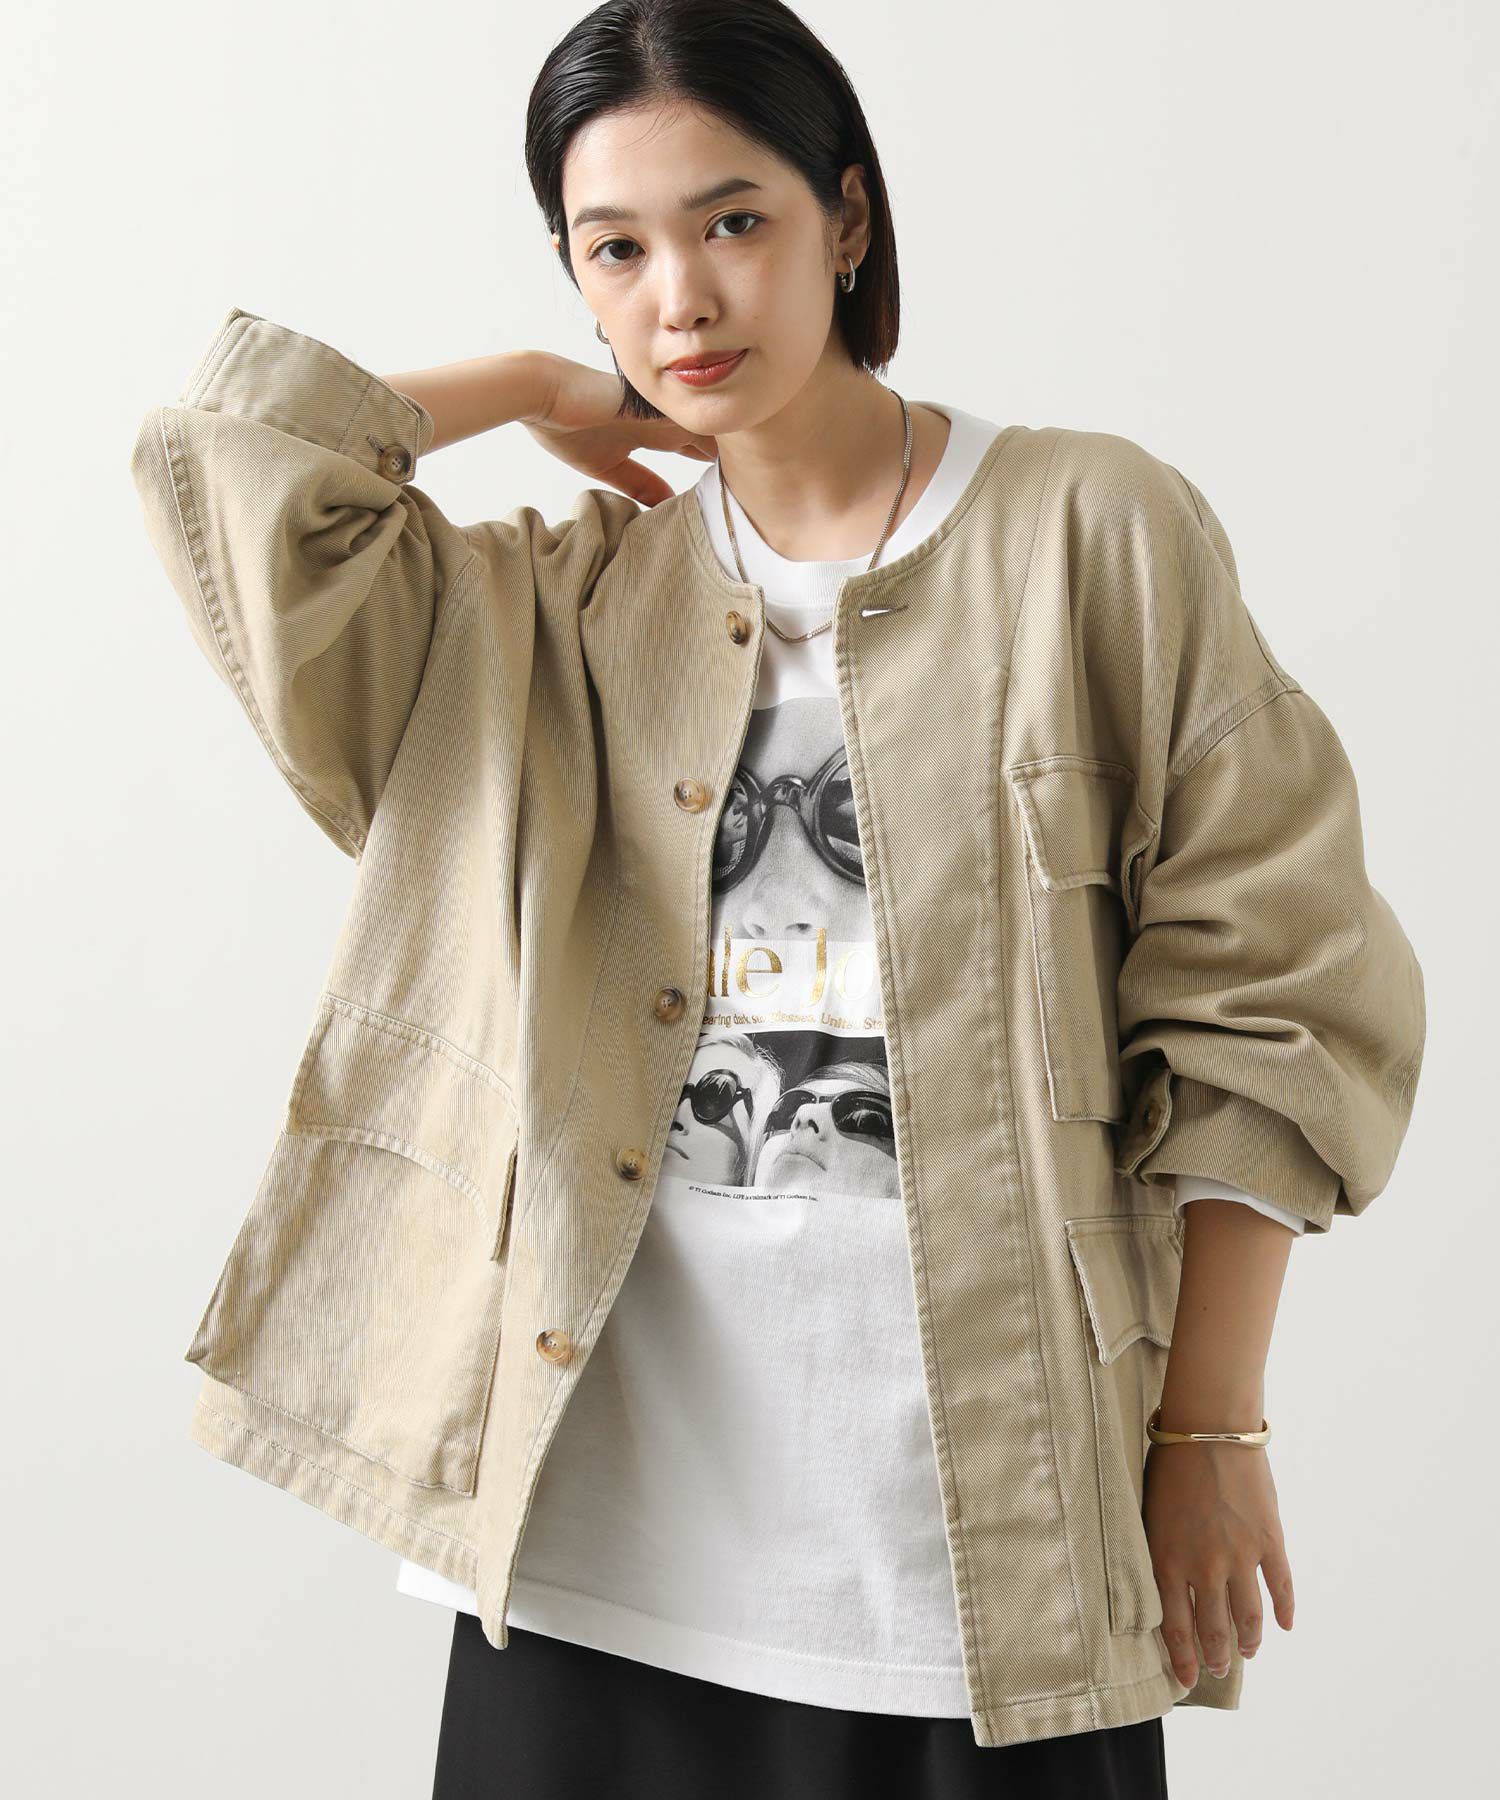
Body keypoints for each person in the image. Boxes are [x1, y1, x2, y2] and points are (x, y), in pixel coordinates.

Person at [129, 3, 1425, 1796]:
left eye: (733, 220)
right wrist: (530, 385)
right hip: (584, 1559)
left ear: (849, 217)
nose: (683, 296)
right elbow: (224, 463)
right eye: (617, 249)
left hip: (976, 1557)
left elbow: (1270, 996)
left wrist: (1211, 1428)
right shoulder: (557, 611)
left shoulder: (1088, 532)